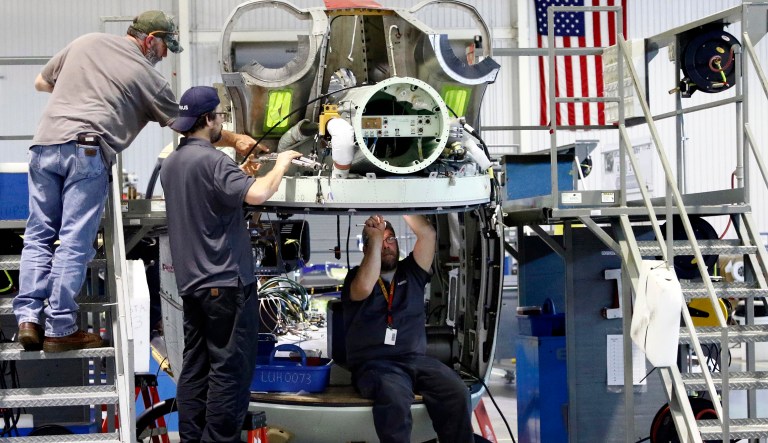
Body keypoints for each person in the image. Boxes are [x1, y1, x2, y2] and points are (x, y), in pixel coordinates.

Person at [13, 10, 262, 353]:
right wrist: (234, 140)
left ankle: (28, 319)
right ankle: (59, 327)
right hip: (86, 151)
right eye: (164, 48)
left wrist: (82, 87)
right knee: (73, 242)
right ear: (149, 40)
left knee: (40, 234)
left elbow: (41, 82)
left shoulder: (85, 42)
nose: (164, 56)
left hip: (43, 146)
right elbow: (190, 126)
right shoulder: (147, 78)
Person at [160, 85, 302, 443]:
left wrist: (240, 173)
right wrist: (282, 163)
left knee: (195, 366)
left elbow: (211, 199)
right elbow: (257, 194)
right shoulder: (213, 161)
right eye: (220, 116)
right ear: (208, 119)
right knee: (230, 369)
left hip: (192, 284)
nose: (221, 121)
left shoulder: (172, 164)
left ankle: (192, 438)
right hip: (225, 281)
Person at [341, 215, 474, 443]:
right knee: (394, 398)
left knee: (457, 391)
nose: (386, 245)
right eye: (378, 241)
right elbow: (364, 286)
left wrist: (400, 203)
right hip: (376, 365)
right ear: (366, 248)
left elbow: (428, 234)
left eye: (390, 238)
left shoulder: (412, 271)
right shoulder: (356, 277)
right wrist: (373, 238)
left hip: (415, 360)